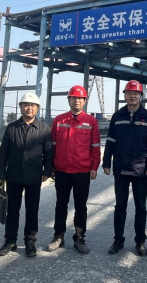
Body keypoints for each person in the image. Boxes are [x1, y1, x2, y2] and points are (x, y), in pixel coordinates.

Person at [103, 80, 147, 257]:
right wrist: (106, 162)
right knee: (120, 206)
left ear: (141, 96)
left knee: (140, 207)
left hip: (141, 169)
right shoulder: (117, 116)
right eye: (129, 93)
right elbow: (110, 140)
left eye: (136, 93)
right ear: (125, 95)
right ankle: (118, 240)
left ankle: (140, 241)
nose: (132, 96)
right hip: (121, 168)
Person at [0, 92, 53, 257]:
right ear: (21, 107)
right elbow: (3, 152)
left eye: (33, 105)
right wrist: (1, 172)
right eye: (26, 105)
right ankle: (10, 241)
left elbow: (48, 152)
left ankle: (30, 241)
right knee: (12, 210)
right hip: (13, 175)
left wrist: (47, 171)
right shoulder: (12, 128)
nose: (29, 108)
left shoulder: (44, 129)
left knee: (32, 210)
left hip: (34, 176)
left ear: (37, 109)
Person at [46, 85, 101, 254]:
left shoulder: (91, 122)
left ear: (84, 101)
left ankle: (79, 237)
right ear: (68, 100)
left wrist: (94, 167)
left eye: (80, 98)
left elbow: (95, 147)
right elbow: (52, 146)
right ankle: (58, 236)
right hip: (62, 171)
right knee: (61, 204)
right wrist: (51, 167)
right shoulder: (59, 120)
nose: (76, 101)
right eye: (73, 98)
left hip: (82, 171)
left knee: (80, 206)